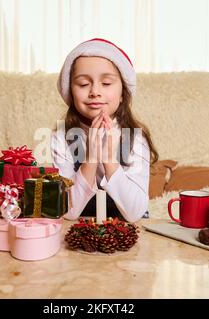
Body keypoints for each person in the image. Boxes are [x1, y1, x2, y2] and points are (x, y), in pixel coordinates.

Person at [51, 38, 158, 223]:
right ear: (71, 91)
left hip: (126, 230)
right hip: (79, 229)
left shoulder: (135, 139)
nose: (95, 92)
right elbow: (66, 212)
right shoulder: (62, 138)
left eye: (106, 83)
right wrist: (90, 160)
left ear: (123, 92)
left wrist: (109, 160)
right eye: (84, 84)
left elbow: (135, 213)